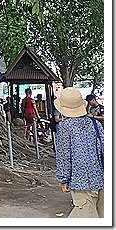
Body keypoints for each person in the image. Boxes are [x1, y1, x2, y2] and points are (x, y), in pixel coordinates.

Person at [55, 87, 104, 218]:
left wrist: (63, 179)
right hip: (102, 178)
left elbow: (64, 156)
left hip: (80, 182)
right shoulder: (95, 123)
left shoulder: (64, 127)